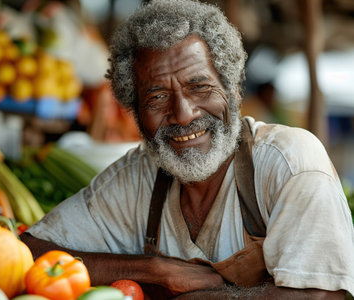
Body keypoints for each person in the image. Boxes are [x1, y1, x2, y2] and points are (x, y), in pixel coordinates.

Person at [21, 0, 354, 298]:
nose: (183, 114)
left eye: (199, 86)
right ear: (135, 114)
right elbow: (27, 252)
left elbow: (319, 295)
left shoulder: (288, 163)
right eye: (157, 98)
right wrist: (155, 271)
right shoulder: (138, 178)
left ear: (233, 89)